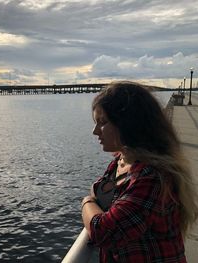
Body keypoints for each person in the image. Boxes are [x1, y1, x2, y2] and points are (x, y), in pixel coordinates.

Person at [81, 81, 198, 262]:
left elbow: (104, 232)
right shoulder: (121, 160)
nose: (95, 131)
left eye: (102, 122)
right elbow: (102, 189)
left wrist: (86, 202)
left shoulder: (154, 177)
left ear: (129, 123)